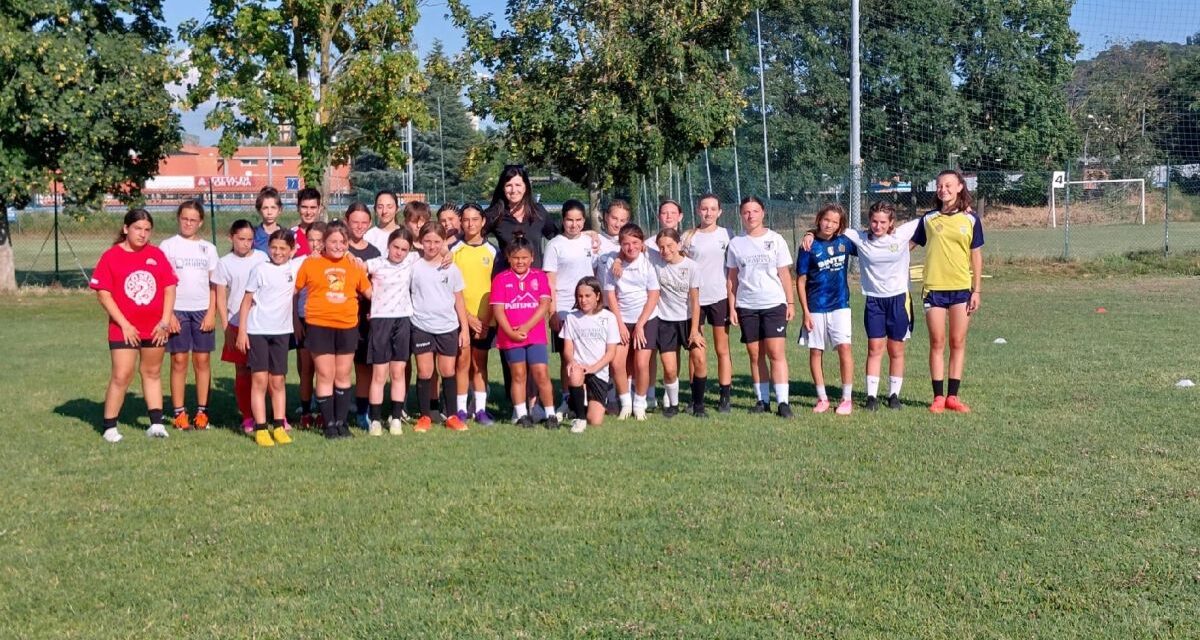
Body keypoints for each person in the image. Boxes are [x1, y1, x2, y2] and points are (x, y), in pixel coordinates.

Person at [801, 201, 920, 411]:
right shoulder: (859, 238)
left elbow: (930, 220)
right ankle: (871, 397)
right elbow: (828, 226)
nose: (878, 225)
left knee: (896, 348)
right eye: (874, 221)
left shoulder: (900, 236)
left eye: (883, 222)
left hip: (899, 299)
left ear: (891, 222)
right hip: (873, 300)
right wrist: (810, 232)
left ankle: (894, 395)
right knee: (874, 348)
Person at [90, 209, 178, 443]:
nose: (142, 234)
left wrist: (165, 321)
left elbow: (169, 287)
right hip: (124, 329)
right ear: (125, 228)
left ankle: (157, 424)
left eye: (147, 230)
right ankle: (109, 426)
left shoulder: (156, 255)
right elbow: (104, 295)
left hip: (155, 328)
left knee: (152, 373)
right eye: (138, 228)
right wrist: (125, 325)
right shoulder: (111, 256)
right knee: (122, 375)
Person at [911, 169, 984, 413]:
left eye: (949, 185)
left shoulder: (971, 219)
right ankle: (938, 397)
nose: (943, 189)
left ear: (960, 187)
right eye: (940, 185)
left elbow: (976, 256)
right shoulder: (928, 219)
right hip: (934, 289)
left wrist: (977, 291)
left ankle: (953, 397)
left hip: (961, 289)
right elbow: (906, 245)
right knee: (937, 342)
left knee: (957, 341)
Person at [294, 221, 373, 439]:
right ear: (324, 244)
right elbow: (293, 290)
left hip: (347, 326)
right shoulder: (311, 264)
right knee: (325, 374)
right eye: (333, 241)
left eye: (342, 242)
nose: (338, 246)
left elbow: (369, 292)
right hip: (319, 326)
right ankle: (328, 424)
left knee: (343, 374)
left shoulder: (354, 265)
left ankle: (341, 423)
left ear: (348, 244)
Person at [726, 196, 795, 417]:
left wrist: (790, 302)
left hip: (774, 303)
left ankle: (783, 402)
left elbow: (784, 274)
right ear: (741, 215)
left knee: (775, 352)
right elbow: (732, 279)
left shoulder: (776, 240)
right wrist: (732, 307)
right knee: (755, 354)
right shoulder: (736, 243)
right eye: (746, 212)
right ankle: (762, 400)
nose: (751, 215)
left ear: (763, 213)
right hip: (747, 306)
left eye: (755, 211)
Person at [158, 200, 218, 430]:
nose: (188, 223)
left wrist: (212, 311)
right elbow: (163, 282)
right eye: (185, 219)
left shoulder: (208, 248)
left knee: (202, 360)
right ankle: (179, 412)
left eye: (193, 220)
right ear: (178, 218)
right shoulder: (168, 246)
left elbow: (215, 284)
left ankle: (202, 412)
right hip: (177, 310)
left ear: (200, 222)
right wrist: (169, 314)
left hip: (202, 310)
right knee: (179, 360)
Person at [236, 229, 297, 447]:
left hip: (281, 333)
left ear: (292, 250)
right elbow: (246, 301)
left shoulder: (295, 268)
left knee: (278, 381)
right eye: (274, 247)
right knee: (259, 380)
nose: (278, 252)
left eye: (283, 248)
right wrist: (242, 331)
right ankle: (261, 428)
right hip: (258, 331)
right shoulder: (260, 269)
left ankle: (279, 426)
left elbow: (316, 256)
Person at [409, 221, 470, 432]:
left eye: (436, 241)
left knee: (447, 370)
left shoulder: (451, 268)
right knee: (425, 372)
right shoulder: (414, 267)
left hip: (447, 327)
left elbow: (459, 300)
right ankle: (425, 416)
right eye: (427, 241)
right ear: (419, 242)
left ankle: (452, 416)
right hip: (421, 326)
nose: (432, 246)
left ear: (443, 242)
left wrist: (464, 329)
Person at [796, 204, 857, 415]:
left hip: (840, 305)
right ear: (819, 218)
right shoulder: (808, 246)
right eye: (826, 219)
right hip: (815, 307)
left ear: (841, 225)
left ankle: (846, 399)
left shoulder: (845, 242)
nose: (829, 224)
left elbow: (868, 242)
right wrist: (805, 311)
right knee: (816, 351)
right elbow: (801, 280)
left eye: (835, 221)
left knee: (845, 348)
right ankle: (822, 398)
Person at [491, 232, 557, 428]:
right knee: (518, 374)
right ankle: (521, 415)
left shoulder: (539, 277)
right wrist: (511, 332)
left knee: (541, 373)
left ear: (532, 258)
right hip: (510, 336)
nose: (520, 262)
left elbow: (544, 304)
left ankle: (550, 414)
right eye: (516, 258)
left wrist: (527, 327)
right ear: (508, 258)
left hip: (534, 335)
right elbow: (498, 309)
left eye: (524, 258)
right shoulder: (501, 279)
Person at [212, 219, 269, 434]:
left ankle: (265, 413)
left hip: (261, 323)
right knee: (243, 370)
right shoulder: (224, 263)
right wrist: (227, 328)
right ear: (231, 238)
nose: (246, 244)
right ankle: (247, 416)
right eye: (241, 239)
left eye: (250, 240)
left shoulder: (262, 258)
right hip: (237, 324)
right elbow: (220, 297)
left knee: (262, 372)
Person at [680, 194, 733, 415]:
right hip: (694, 300)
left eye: (713, 209)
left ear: (720, 212)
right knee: (696, 349)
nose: (708, 213)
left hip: (719, 297)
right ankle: (696, 395)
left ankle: (724, 396)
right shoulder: (688, 236)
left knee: (722, 348)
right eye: (704, 209)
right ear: (698, 211)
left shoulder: (727, 235)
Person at [602, 223, 661, 420]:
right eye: (626, 244)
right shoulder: (614, 263)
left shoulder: (648, 263)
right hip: (621, 319)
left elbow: (653, 295)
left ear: (641, 243)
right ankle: (625, 402)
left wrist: (640, 324)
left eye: (635, 242)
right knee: (617, 363)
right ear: (620, 245)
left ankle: (640, 403)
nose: (631, 247)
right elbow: (610, 295)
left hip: (646, 320)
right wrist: (619, 324)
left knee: (641, 364)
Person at [364, 228, 419, 436]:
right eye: (396, 247)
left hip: (403, 320)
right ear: (388, 245)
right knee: (379, 374)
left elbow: (438, 249)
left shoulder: (411, 261)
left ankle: (395, 418)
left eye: (404, 249)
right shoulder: (376, 263)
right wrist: (371, 295)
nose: (399, 252)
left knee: (398, 372)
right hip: (380, 321)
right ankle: (375, 420)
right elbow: (355, 269)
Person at [544, 200, 595, 415]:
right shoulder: (555, 245)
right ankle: (567, 398)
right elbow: (550, 280)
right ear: (562, 220)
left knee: (589, 354)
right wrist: (552, 311)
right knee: (569, 356)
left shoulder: (591, 241)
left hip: (590, 307)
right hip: (565, 307)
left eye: (578, 220)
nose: (573, 225)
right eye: (569, 220)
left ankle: (588, 397)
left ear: (584, 221)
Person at [451, 203, 498, 426]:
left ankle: (480, 410)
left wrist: (486, 320)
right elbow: (449, 287)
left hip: (486, 320)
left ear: (483, 222)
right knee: (462, 362)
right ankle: (460, 410)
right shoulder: (453, 251)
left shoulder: (493, 252)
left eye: (474, 219)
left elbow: (496, 288)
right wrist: (467, 318)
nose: (470, 224)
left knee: (480, 364)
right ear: (461, 222)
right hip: (461, 318)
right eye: (466, 219)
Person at [652, 228, 703, 418]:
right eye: (662, 247)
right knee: (670, 368)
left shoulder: (691, 267)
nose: (666, 250)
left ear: (679, 245)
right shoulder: (655, 263)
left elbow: (695, 301)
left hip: (689, 320)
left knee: (699, 359)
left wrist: (695, 330)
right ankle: (672, 405)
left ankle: (698, 405)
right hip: (665, 322)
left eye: (670, 246)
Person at [560, 276, 620, 434]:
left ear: (598, 296)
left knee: (595, 421)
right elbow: (567, 348)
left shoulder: (609, 318)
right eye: (580, 296)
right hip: (580, 368)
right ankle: (579, 419)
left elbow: (611, 352)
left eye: (588, 296)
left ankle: (577, 402)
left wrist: (593, 368)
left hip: (598, 371)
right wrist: (572, 362)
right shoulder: (571, 318)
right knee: (574, 374)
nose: (583, 300)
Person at [344, 202, 382, 429]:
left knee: (364, 367)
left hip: (366, 319)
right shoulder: (338, 247)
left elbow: (377, 286)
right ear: (347, 221)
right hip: (341, 317)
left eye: (363, 222)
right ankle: (335, 410)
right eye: (354, 222)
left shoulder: (374, 252)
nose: (359, 226)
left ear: (369, 224)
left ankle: (362, 412)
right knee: (341, 367)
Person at [482, 164, 559, 273]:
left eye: (518, 185)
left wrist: (587, 235)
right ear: (503, 188)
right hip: (508, 283)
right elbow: (471, 234)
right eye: (509, 185)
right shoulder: (495, 214)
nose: (513, 190)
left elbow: (558, 237)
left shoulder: (539, 212)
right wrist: (448, 247)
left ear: (525, 187)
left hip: (535, 282)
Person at [293, 221, 327, 427]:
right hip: (305, 320)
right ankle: (306, 412)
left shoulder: (333, 262)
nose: (315, 244)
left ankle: (325, 412)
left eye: (319, 240)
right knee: (306, 369)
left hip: (326, 322)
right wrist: (296, 321)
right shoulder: (300, 263)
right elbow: (294, 295)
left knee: (326, 370)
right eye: (311, 240)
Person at [365, 190, 401, 255]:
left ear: (397, 209)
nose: (384, 211)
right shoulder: (369, 236)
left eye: (389, 207)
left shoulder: (405, 234)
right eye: (380, 207)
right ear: (375, 210)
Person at [291, 187, 323, 258]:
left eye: (313, 207)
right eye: (304, 207)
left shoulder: (327, 234)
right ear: (297, 208)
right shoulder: (290, 236)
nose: (308, 212)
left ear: (319, 209)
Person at [251, 187, 283, 253]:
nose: (269, 212)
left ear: (280, 210)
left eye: (273, 208)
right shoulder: (253, 235)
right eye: (265, 208)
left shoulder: (288, 235)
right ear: (259, 210)